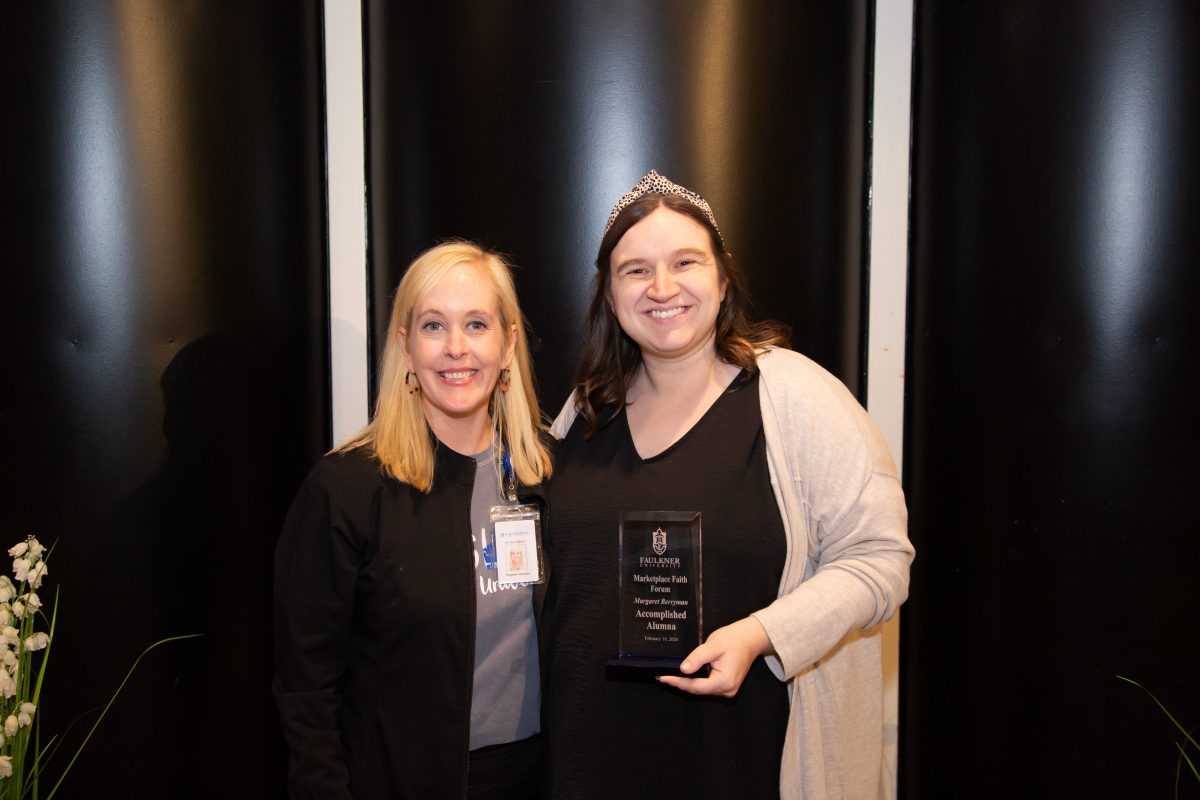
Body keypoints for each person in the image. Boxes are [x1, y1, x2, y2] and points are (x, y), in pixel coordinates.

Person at [543, 170, 914, 799]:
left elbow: (882, 560)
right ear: (609, 294)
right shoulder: (585, 410)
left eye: (684, 261)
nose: (662, 287)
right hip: (590, 762)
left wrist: (761, 634)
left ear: (722, 276)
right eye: (635, 270)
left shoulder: (794, 398)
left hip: (738, 762)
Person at [273, 241, 553, 799]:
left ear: (507, 344)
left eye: (476, 324)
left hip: (532, 779)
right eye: (432, 326)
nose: (456, 348)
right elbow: (307, 688)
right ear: (405, 346)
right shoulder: (347, 489)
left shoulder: (547, 477)